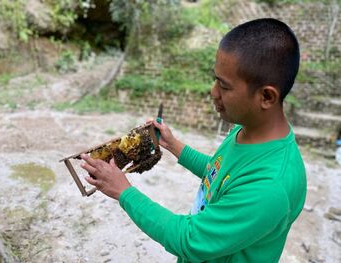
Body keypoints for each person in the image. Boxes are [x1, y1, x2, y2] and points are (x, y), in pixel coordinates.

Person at [80, 18, 307, 263]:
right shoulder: (246, 130)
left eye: (224, 86)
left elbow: (190, 240)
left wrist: (124, 192)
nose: (213, 91)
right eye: (215, 79)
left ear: (266, 96)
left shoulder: (270, 187)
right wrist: (173, 144)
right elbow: (219, 175)